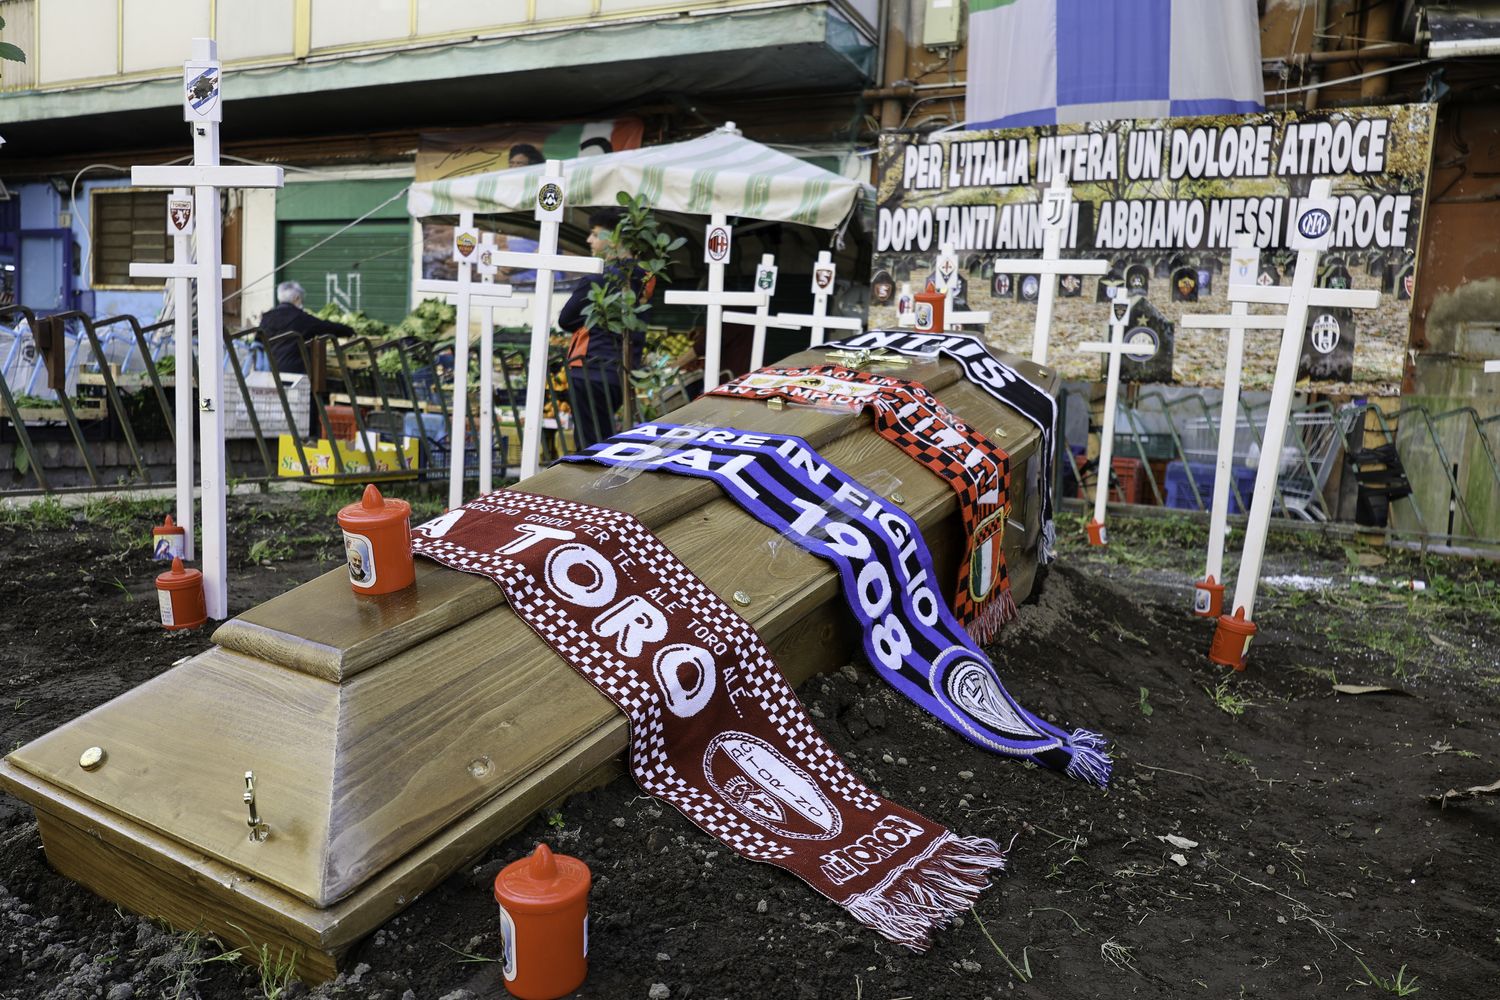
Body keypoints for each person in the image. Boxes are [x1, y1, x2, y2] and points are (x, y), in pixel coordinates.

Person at [556, 208, 656, 449]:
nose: (589, 240)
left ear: (613, 238)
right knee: (605, 438)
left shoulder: (596, 279)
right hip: (622, 370)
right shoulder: (646, 277)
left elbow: (566, 320)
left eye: (595, 234)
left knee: (591, 445)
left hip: (590, 367)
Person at [256, 281, 356, 374]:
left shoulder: (266, 317)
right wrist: (349, 331)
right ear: (296, 298)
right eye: (301, 299)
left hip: (269, 371)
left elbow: (258, 341)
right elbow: (326, 327)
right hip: (295, 372)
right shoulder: (301, 318)